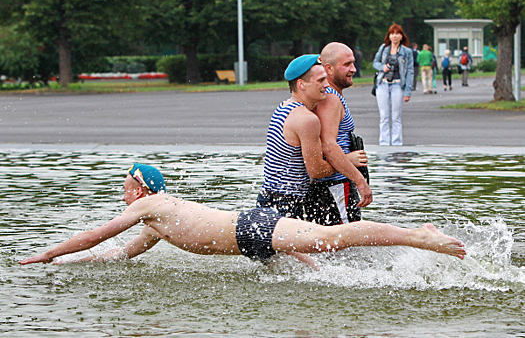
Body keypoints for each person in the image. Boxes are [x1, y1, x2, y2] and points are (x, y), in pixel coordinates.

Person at [19, 164, 467, 268]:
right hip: (251, 236)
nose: (123, 192)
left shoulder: (147, 206)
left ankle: (419, 235)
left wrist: (45, 254)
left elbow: (97, 235)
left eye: (125, 185)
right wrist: (65, 264)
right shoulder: (153, 224)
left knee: (337, 237)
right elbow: (116, 254)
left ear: (138, 187)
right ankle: (315, 271)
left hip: (250, 227)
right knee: (314, 251)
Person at [256, 54, 371, 218]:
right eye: (320, 81)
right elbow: (316, 171)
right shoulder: (307, 120)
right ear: (301, 84)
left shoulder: (284, 107)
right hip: (287, 204)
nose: (326, 85)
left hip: (268, 198)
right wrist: (348, 161)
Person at [304, 42, 372, 225]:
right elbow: (328, 145)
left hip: (334, 186)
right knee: (346, 243)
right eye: (347, 64)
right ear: (329, 68)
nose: (353, 69)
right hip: (335, 186)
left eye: (353, 63)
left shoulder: (328, 95)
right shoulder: (331, 99)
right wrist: (360, 180)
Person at [373, 24, 414, 146]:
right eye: (392, 33)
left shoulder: (407, 52)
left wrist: (408, 92)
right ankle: (384, 143)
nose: (395, 36)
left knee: (396, 117)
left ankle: (397, 144)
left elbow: (410, 71)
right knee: (384, 116)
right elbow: (375, 62)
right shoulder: (384, 49)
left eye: (397, 33)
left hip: (398, 85)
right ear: (389, 36)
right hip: (383, 84)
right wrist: (383, 67)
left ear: (402, 36)